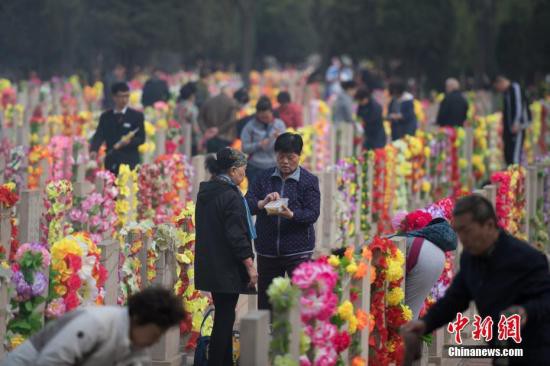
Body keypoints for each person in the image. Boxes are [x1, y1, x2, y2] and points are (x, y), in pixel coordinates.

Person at [401, 195, 550, 365]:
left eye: (467, 231)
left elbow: (546, 299)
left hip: (535, 351)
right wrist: (425, 324)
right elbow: (455, 299)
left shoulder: (527, 258)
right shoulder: (471, 258)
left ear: (489, 225)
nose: (462, 239)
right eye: (458, 232)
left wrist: (526, 310)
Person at [2, 287, 186, 366]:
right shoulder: (96, 323)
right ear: (138, 318)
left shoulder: (135, 349)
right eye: (155, 333)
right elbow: (51, 360)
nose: (156, 340)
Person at [194, 147, 258, 366]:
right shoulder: (230, 196)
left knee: (224, 313)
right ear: (232, 170)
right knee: (225, 318)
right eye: (243, 170)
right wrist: (250, 266)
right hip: (227, 267)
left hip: (211, 263)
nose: (244, 174)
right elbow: (237, 237)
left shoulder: (207, 191)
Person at [245, 133, 321, 313]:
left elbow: (312, 213)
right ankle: (266, 337)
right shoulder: (264, 177)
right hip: (267, 249)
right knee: (267, 303)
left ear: (299, 156)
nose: (285, 161)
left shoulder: (309, 181)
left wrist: (292, 214)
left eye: (290, 157)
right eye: (281, 156)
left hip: (299, 251)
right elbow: (246, 203)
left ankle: (296, 338)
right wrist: (262, 203)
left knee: (301, 301)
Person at [392, 216, 457, 319]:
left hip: (420, 254)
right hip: (436, 257)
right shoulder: (439, 233)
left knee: (405, 317)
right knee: (409, 313)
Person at [90, 82, 145, 175]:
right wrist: (94, 150)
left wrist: (129, 142)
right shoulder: (106, 116)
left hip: (130, 162)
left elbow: (141, 139)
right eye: (121, 96)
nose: (124, 100)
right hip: (112, 161)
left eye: (127, 96)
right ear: (114, 97)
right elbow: (99, 135)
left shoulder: (137, 116)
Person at [240, 96, 287, 186]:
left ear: (271, 112)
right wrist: (259, 145)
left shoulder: (279, 124)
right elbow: (244, 148)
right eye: (262, 117)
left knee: (273, 196)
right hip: (255, 167)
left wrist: (280, 139)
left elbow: (285, 147)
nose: (265, 120)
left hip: (274, 166)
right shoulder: (250, 126)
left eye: (267, 117)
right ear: (257, 114)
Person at [494, 76, 532, 165]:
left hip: (517, 127)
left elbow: (518, 105)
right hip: (509, 128)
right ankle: (510, 175)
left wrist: (516, 123)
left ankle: (515, 176)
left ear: (501, 82)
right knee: (508, 153)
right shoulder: (506, 92)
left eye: (498, 86)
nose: (499, 90)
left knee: (515, 155)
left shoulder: (515, 88)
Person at [198, 85, 240, 153]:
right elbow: (232, 120)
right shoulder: (232, 103)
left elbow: (200, 118)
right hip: (226, 138)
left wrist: (206, 131)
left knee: (211, 159)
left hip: (210, 138)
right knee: (223, 160)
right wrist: (218, 130)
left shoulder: (208, 101)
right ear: (229, 92)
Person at [174, 82, 201, 155]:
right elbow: (195, 126)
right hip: (191, 139)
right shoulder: (192, 108)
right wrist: (199, 139)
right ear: (192, 95)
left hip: (178, 136)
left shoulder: (177, 107)